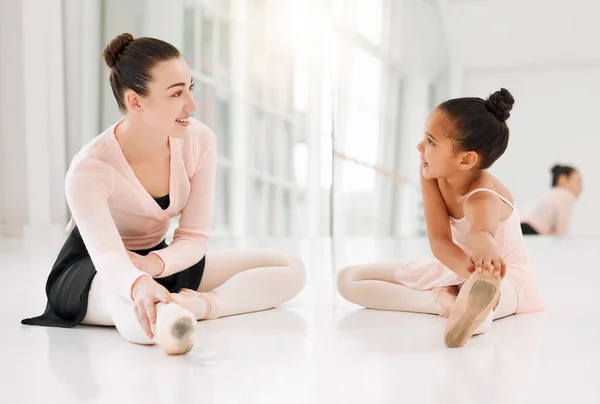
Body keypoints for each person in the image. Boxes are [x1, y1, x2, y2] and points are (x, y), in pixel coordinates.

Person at [22, 33, 306, 355]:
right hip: (94, 268)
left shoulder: (199, 141)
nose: (192, 105)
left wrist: (154, 266)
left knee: (291, 268)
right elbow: (110, 258)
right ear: (136, 101)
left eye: (190, 88)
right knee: (129, 308)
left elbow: (195, 237)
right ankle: (168, 315)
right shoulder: (89, 170)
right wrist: (139, 280)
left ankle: (199, 307)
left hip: (159, 261)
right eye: (176, 94)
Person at [337, 88, 545, 348]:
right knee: (348, 280)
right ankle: (446, 299)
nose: (420, 147)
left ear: (466, 159)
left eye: (431, 142)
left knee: (483, 310)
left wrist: (484, 266)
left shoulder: (483, 196)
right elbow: (439, 241)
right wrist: (466, 276)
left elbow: (481, 232)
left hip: (507, 280)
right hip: (458, 268)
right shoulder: (430, 173)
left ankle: (469, 302)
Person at [520, 164, 582, 235]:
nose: (581, 187)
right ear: (563, 179)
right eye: (579, 180)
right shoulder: (565, 195)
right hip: (530, 230)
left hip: (522, 228)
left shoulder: (552, 195)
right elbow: (562, 231)